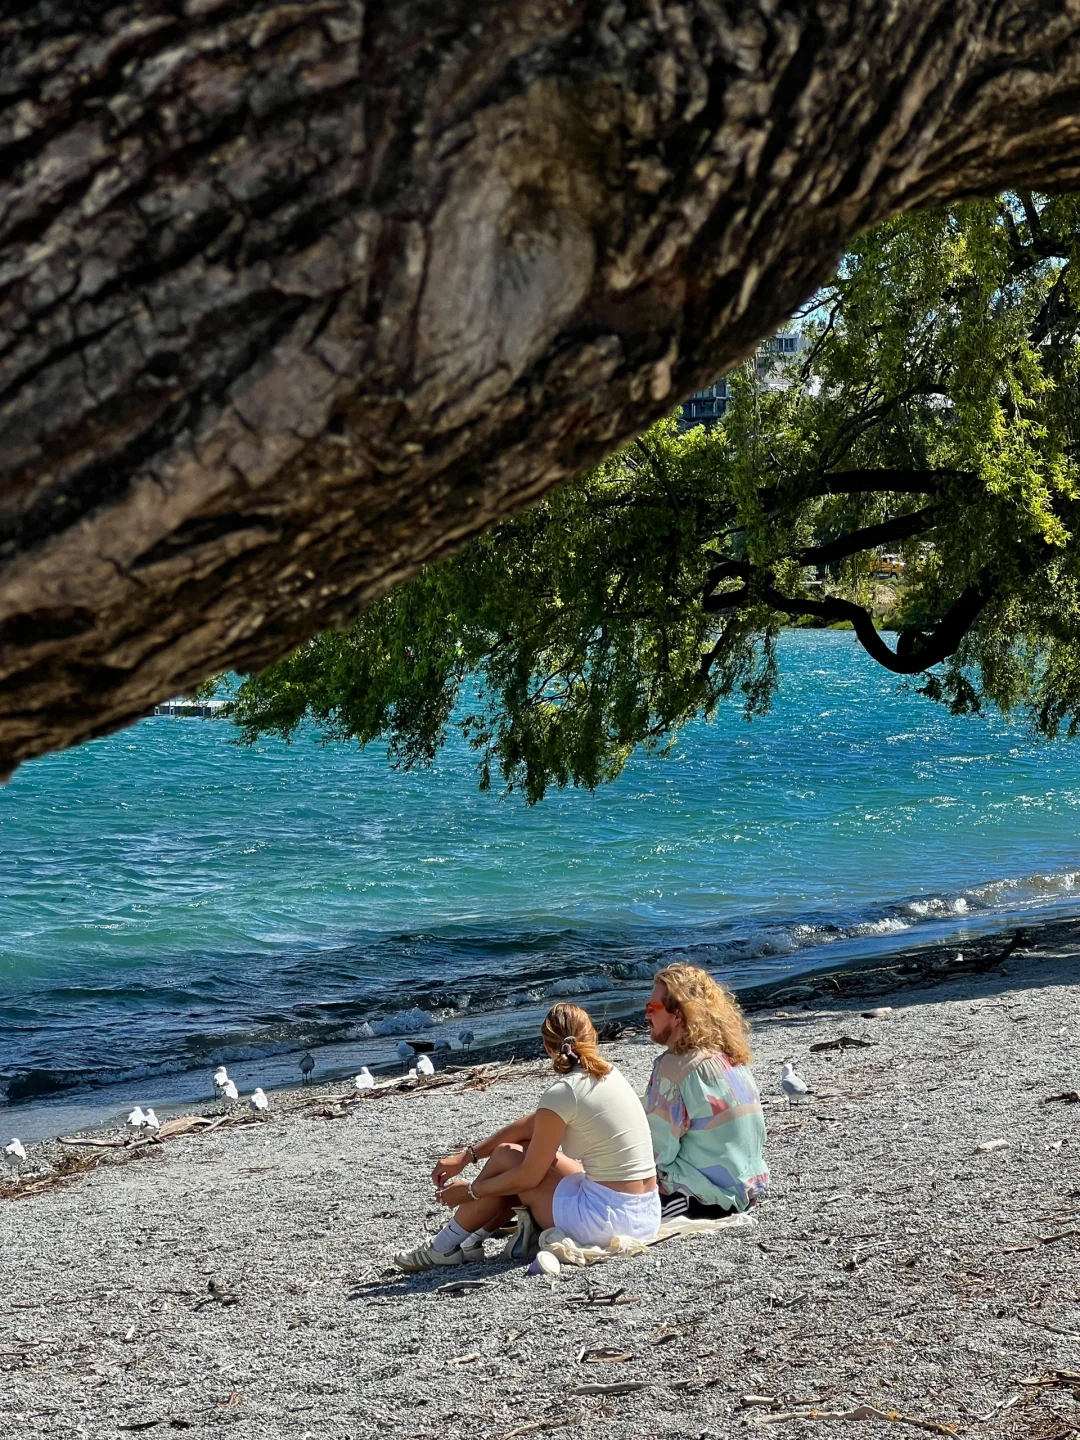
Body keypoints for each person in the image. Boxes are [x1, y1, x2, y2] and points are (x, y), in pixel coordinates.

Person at [394, 1003, 660, 1271]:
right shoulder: (610, 1074)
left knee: (510, 1160)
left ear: (547, 1048)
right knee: (513, 1156)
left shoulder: (565, 1091)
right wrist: (467, 1156)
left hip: (606, 1222)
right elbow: (529, 1126)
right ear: (593, 1037)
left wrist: (471, 1191)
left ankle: (443, 1246)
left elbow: (528, 1177)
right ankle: (469, 1242)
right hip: (647, 1214)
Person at [644, 963, 769, 1219]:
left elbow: (657, 1151)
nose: (646, 1016)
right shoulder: (731, 1060)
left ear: (677, 1015)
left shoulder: (674, 1068)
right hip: (746, 1190)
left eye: (651, 1009)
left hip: (702, 1198)